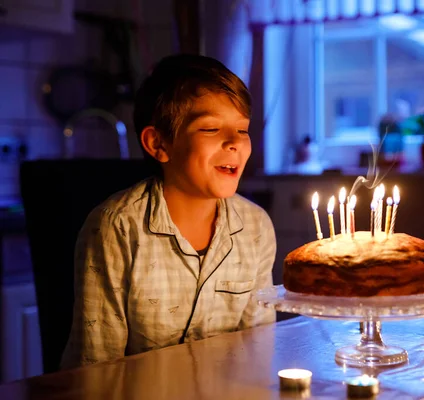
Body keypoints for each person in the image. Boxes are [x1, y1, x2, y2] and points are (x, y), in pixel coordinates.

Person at [61, 54, 276, 369]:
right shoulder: (116, 228)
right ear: (159, 143)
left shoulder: (256, 227)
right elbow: (97, 368)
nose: (234, 142)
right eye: (211, 129)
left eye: (242, 130)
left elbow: (257, 350)